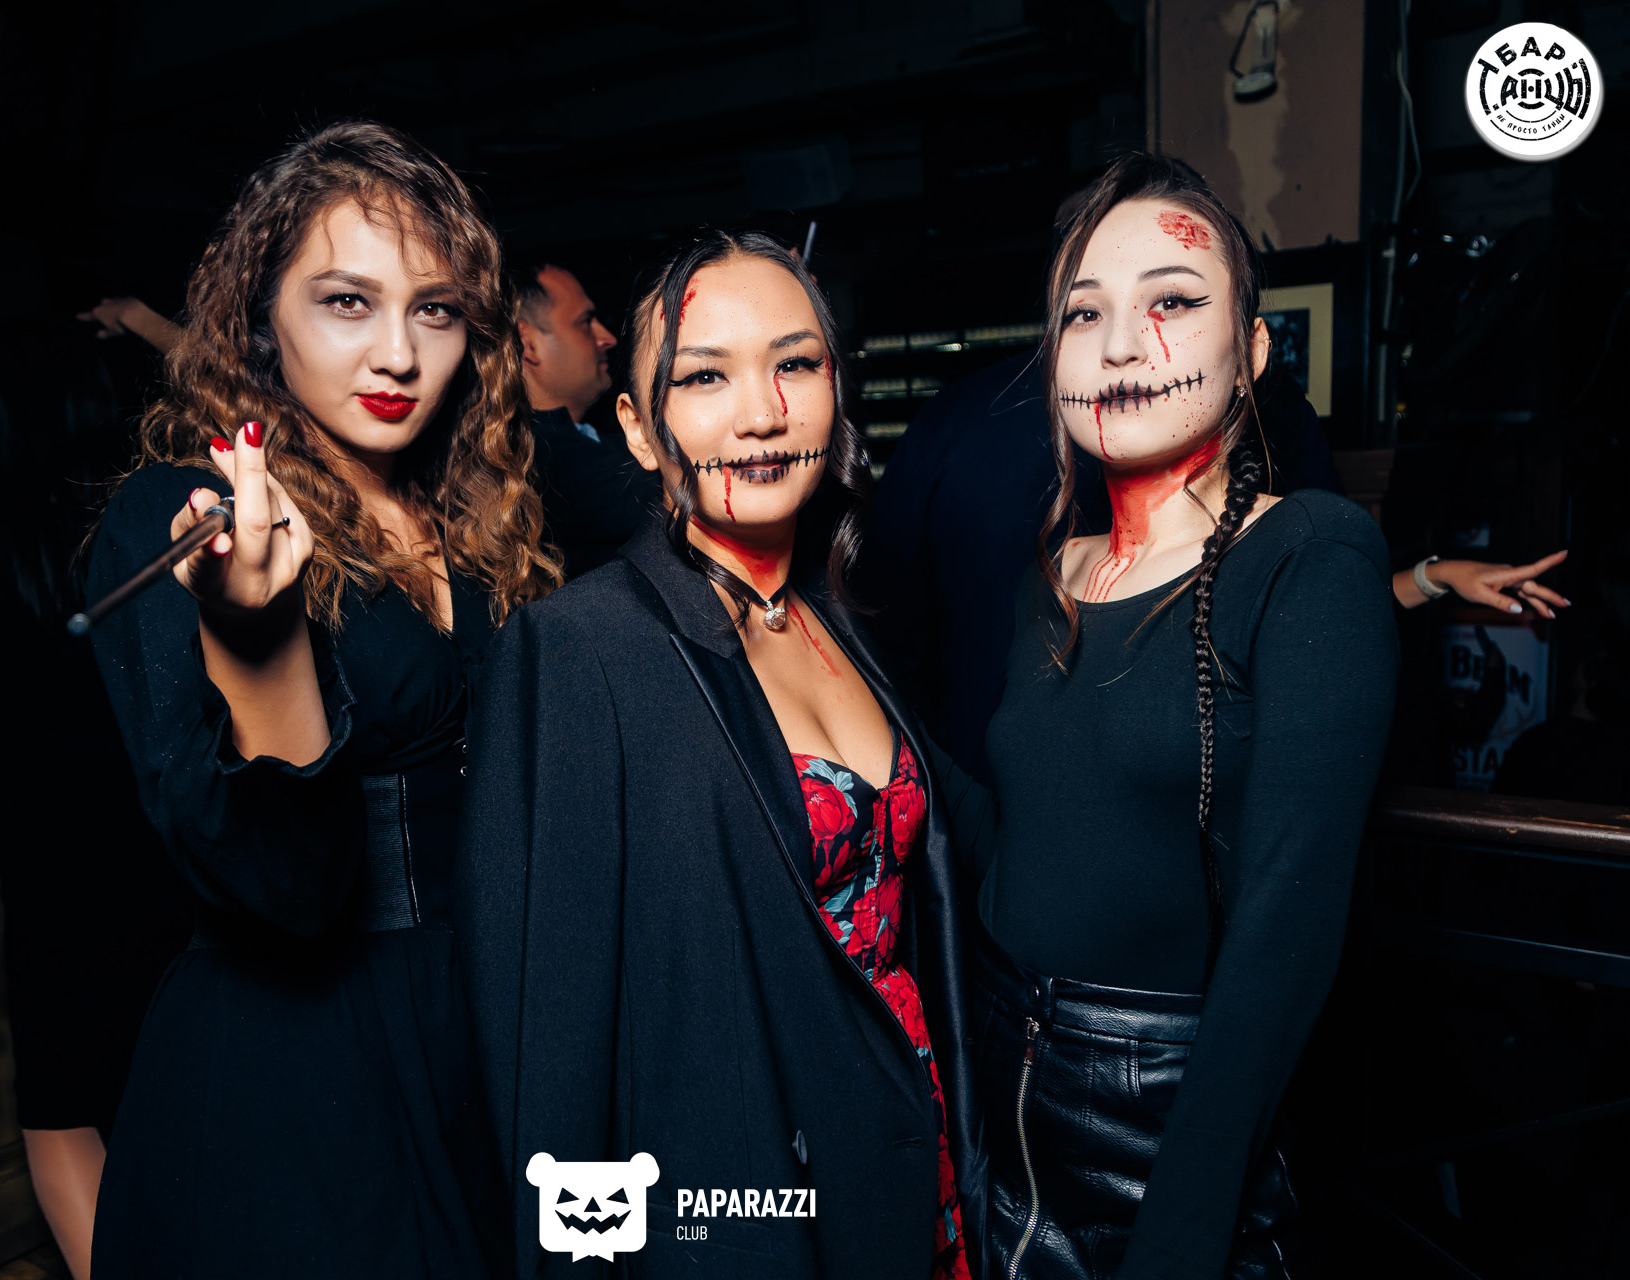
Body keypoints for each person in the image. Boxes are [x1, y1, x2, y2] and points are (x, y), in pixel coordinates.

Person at [459, 230, 982, 1280]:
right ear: (637, 429)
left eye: (795, 363)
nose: (761, 413)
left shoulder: (835, 615)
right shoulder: (581, 649)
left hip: (910, 1167)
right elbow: (551, 1061)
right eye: (705, 376)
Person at [85, 119, 557, 1279]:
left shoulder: (479, 519)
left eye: (436, 310)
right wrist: (258, 639)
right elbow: (280, 891)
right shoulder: (179, 519)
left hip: (491, 1034)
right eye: (348, 301)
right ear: (262, 320)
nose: (398, 353)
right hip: (301, 1076)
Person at [961, 154, 1399, 1279]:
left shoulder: (1308, 557)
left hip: (1171, 1134)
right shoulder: (1051, 576)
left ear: (1250, 352)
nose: (1120, 346)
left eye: (1171, 300)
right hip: (1002, 1113)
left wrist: (1181, 1241)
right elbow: (1024, 839)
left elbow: (1283, 942)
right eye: (1083, 313)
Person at [864, 320, 1567, 786]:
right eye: (1091, 300)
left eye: (1172, 296)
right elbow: (885, 633)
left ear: (1249, 348)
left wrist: (1432, 576)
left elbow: (1307, 604)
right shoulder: (974, 434)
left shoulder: (1260, 427)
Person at [0, 328, 190, 1279]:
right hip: (167, 829)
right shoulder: (144, 521)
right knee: (192, 1072)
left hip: (48, 843)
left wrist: (40, 807)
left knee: (63, 1110)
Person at [509, 261, 658, 576]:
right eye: (585, 322)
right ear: (527, 343)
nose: (608, 338)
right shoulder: (539, 464)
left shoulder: (594, 439)